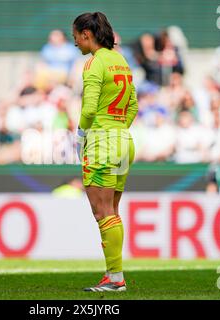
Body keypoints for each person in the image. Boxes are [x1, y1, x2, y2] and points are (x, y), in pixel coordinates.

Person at [72, 12, 138, 292]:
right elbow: (133, 105)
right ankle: (114, 275)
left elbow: (88, 109)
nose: (74, 42)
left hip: (102, 141)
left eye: (75, 36)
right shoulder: (120, 61)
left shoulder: (94, 63)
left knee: (102, 212)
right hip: (123, 141)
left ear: (87, 34)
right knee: (113, 211)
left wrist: (80, 136)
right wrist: (118, 129)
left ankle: (116, 278)